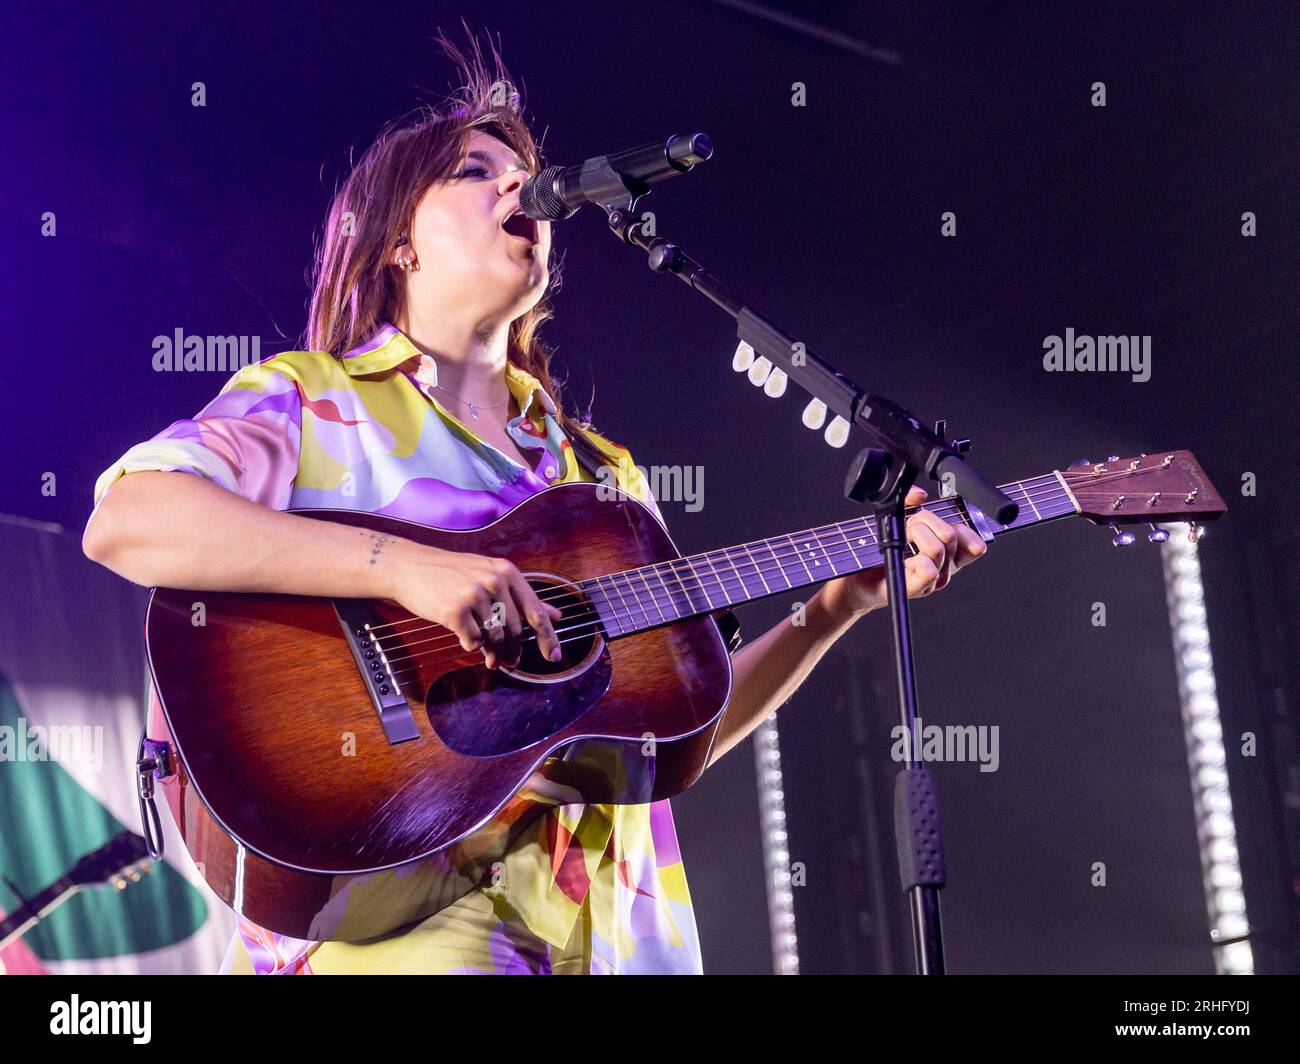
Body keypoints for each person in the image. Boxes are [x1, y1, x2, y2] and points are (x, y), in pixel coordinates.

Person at [81, 30, 988, 975]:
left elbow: (665, 738)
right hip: (402, 934)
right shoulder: (314, 400)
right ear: (397, 242)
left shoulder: (602, 482)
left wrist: (834, 609)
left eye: (528, 175)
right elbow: (131, 521)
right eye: (477, 172)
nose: (521, 190)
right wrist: (414, 572)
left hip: (621, 942)